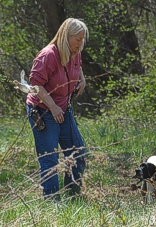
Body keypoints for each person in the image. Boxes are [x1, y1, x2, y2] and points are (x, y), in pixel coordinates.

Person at [26, 18, 89, 200]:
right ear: (65, 37)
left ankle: (72, 195)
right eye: (78, 39)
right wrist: (52, 107)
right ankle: (52, 202)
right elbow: (35, 84)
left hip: (64, 109)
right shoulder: (48, 55)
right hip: (44, 111)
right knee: (50, 158)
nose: (80, 44)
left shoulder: (75, 51)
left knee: (78, 151)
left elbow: (78, 66)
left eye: (82, 39)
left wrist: (82, 80)